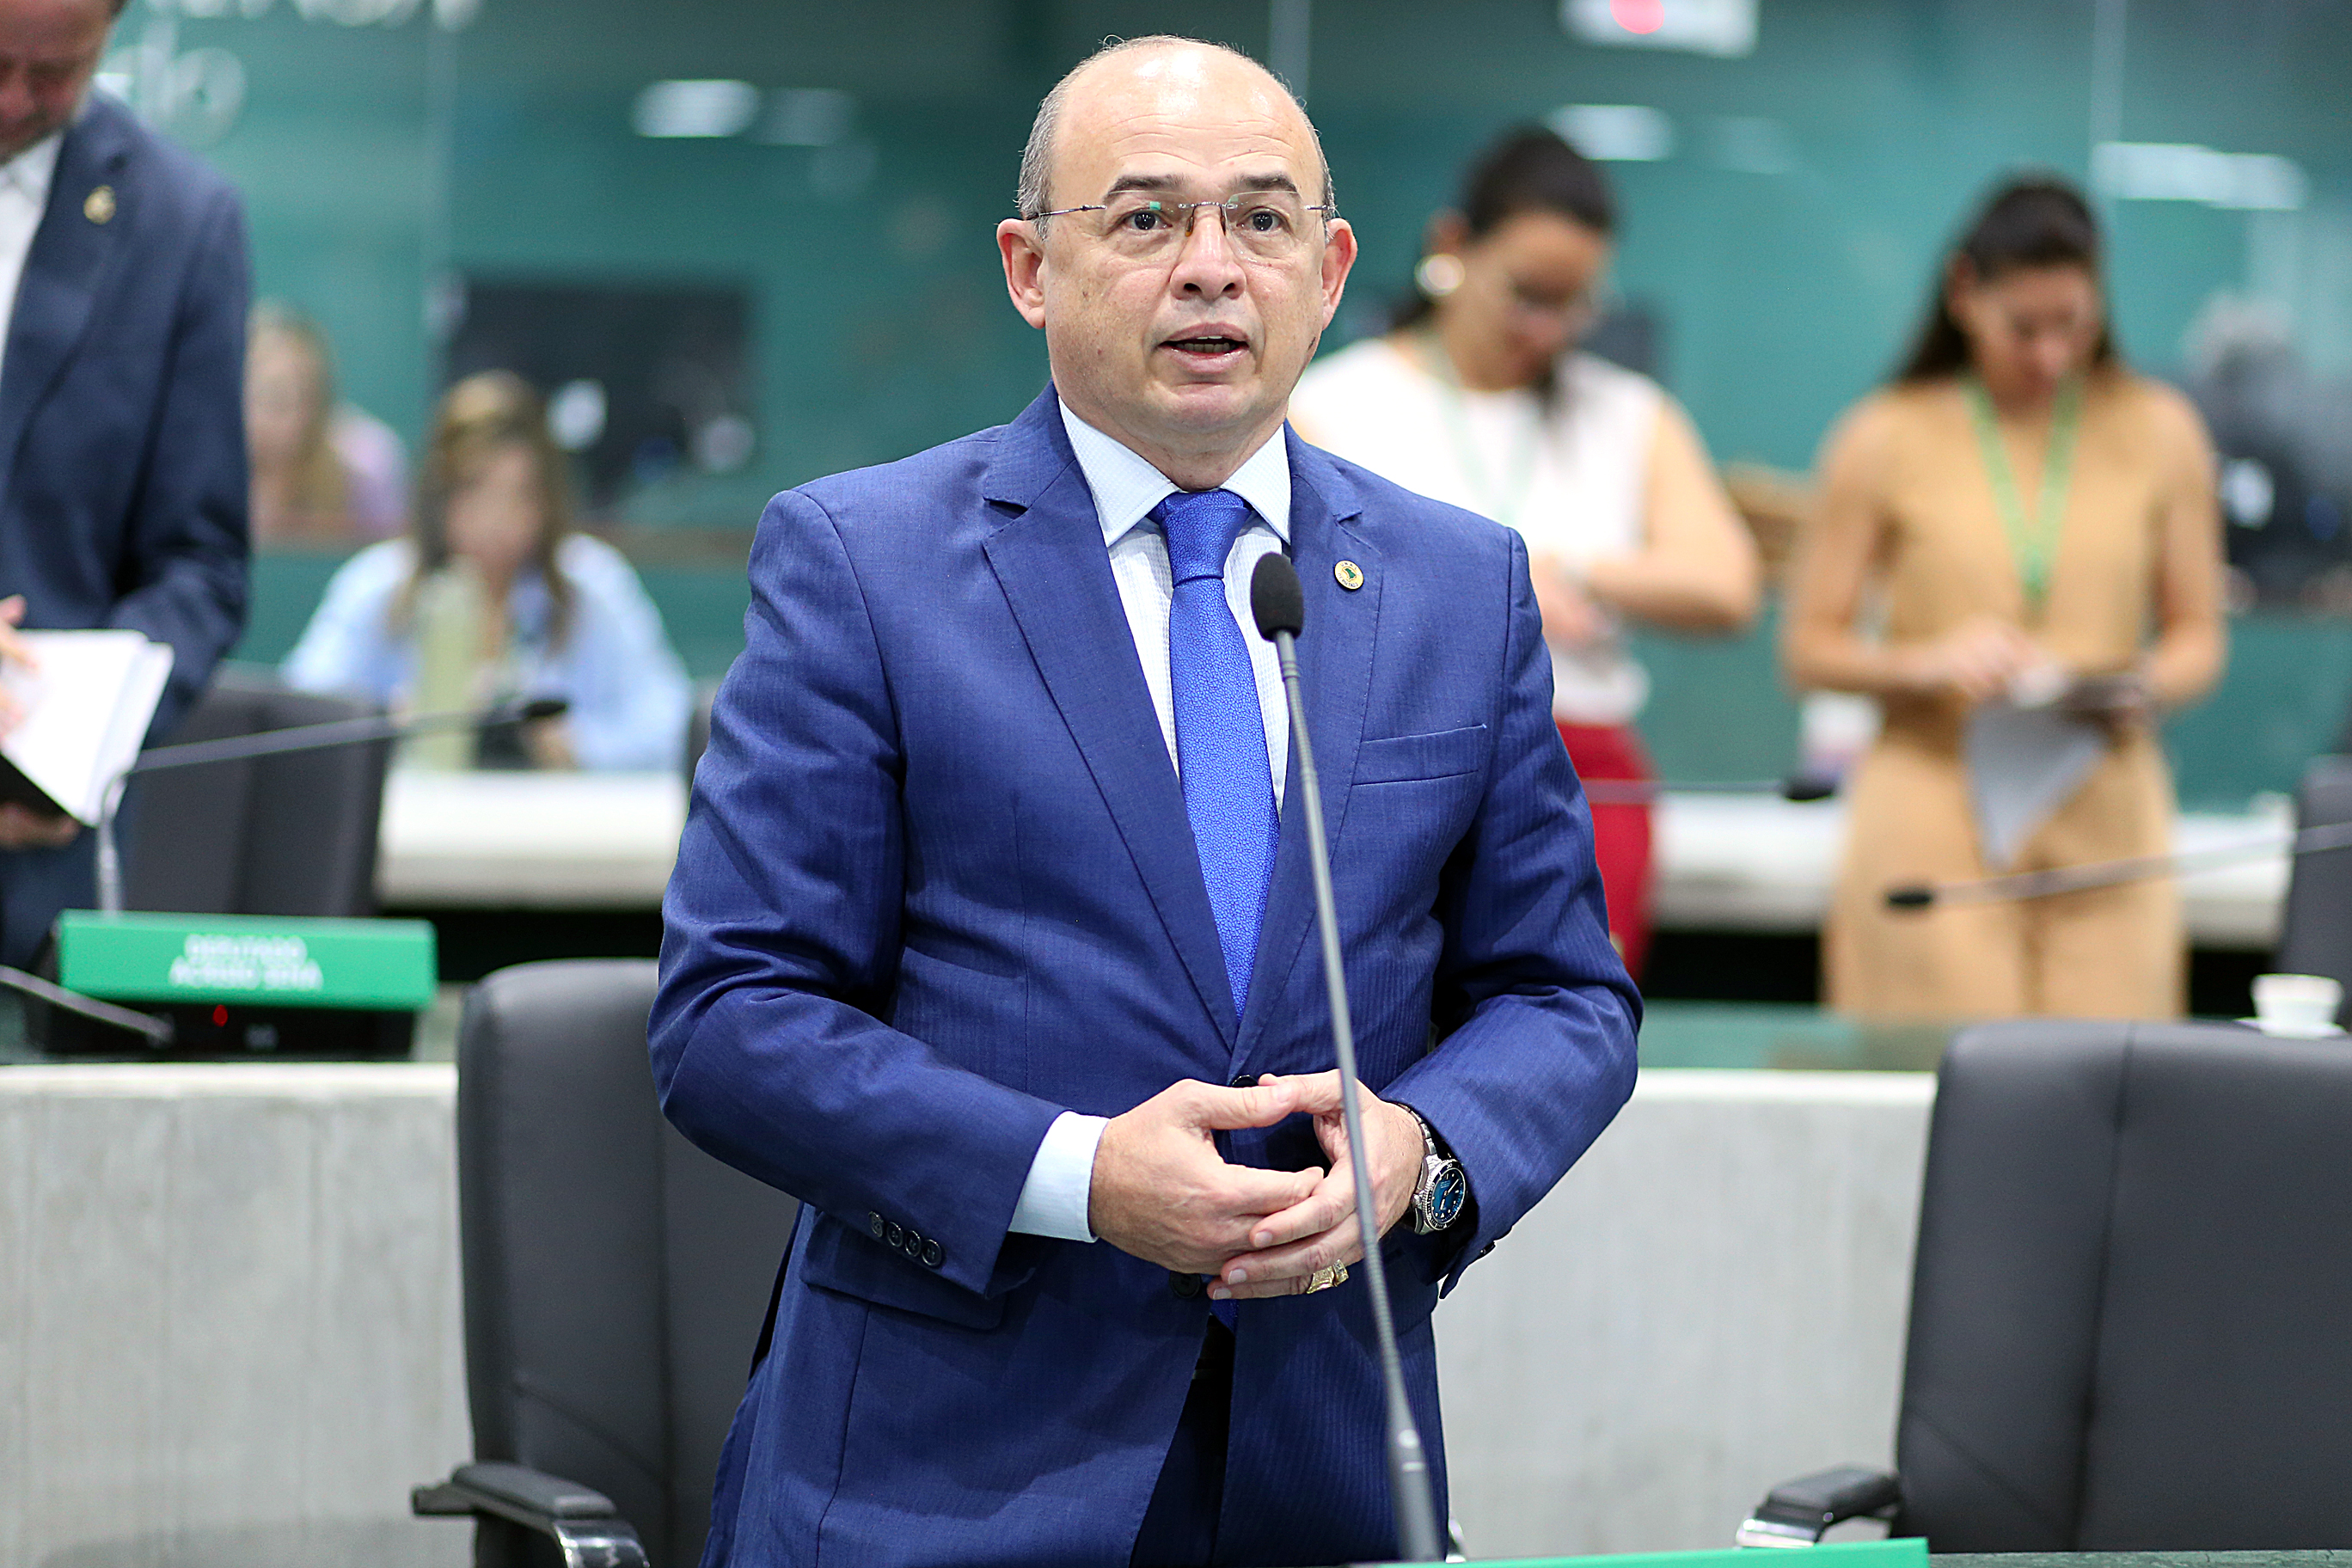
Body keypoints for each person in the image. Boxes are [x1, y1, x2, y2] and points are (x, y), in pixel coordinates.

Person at [652, 36, 1639, 1568]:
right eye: (1145, 218)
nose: (1211, 268)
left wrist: (1426, 1147)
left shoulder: (1462, 586)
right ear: (1028, 269)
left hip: (1318, 1464)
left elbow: (1562, 995)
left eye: (1261, 221)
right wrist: (1080, 1176)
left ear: (1331, 271)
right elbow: (732, 1017)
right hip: (943, 1480)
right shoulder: (862, 565)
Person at [1289, 126, 1758, 977]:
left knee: (1573, 1012)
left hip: (1585, 765)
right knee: (1407, 1016)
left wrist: (1570, 570)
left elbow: (1726, 586)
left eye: (1575, 304)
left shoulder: (1625, 414)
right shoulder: (1336, 404)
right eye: (1527, 294)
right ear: (1453, 246)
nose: (1547, 328)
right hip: (1400, 764)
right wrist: (1492, 586)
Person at [1782, 178, 2226, 1020]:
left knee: (2107, 1076)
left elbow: (2198, 636)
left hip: (2105, 805)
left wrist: (2140, 683)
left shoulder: (2160, 431)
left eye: (2074, 325)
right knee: (1937, 1067)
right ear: (1964, 293)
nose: (2051, 356)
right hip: (1933, 799)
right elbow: (1809, 649)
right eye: (2024, 328)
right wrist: (1928, 663)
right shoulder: (1885, 434)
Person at [0, 0, 249, 966]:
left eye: (53, 74)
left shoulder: (180, 225)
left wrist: (65, 739)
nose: (14, 100)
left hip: (30, 883)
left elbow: (201, 568)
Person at [282, 371, 690, 772]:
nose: (496, 518)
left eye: (519, 494)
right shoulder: (376, 585)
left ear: (548, 502)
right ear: (438, 495)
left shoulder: (593, 584)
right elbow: (298, 716)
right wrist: (387, 725)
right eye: (474, 489)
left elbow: (673, 724)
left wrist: (574, 746)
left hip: (553, 816)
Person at [246, 302, 408, 547]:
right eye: (273, 395)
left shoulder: (367, 464)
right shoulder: (203, 467)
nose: (294, 417)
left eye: (305, 395)